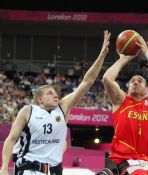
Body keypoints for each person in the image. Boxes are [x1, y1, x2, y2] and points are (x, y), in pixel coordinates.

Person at [0, 30, 111, 175]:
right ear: (39, 99)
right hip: (29, 169)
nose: (55, 95)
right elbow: (11, 139)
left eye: (55, 92)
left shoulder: (63, 107)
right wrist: (3, 168)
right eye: (49, 93)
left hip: (54, 170)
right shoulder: (28, 111)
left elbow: (87, 81)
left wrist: (102, 55)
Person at [100, 35, 148, 175]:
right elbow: (107, 78)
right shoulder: (121, 101)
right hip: (121, 161)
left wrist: (147, 53)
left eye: (140, 81)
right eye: (132, 81)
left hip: (145, 162)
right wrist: (123, 59)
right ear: (128, 87)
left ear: (147, 90)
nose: (135, 82)